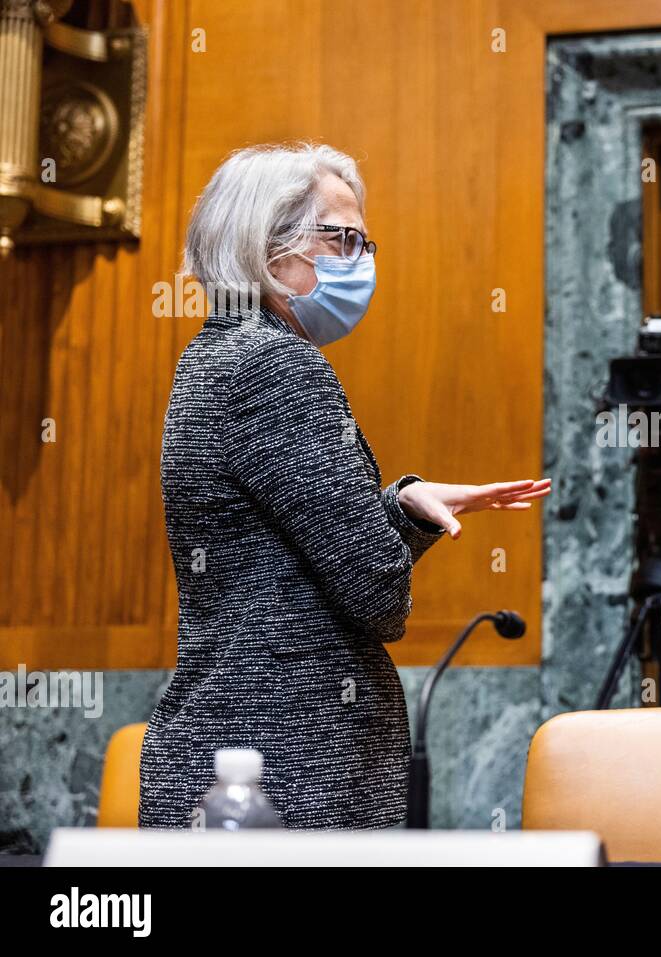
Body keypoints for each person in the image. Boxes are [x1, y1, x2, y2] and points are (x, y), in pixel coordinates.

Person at [139, 143, 549, 829]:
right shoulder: (276, 366)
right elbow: (375, 591)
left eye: (366, 241)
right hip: (287, 767)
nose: (363, 261)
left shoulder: (214, 355)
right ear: (270, 247)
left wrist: (401, 506)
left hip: (241, 744)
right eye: (345, 238)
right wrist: (393, 528)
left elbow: (289, 553)